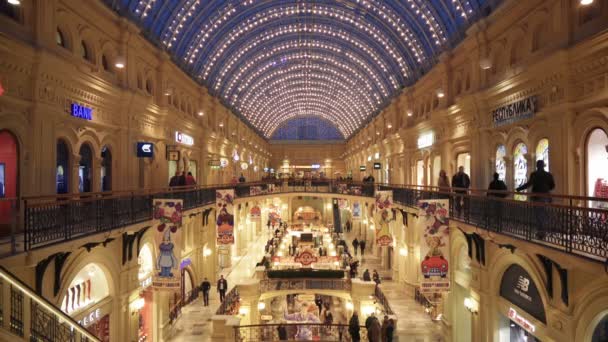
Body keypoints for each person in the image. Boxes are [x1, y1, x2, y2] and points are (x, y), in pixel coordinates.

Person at [516, 160, 555, 239]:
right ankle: (543, 232)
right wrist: (546, 189)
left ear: (537, 166)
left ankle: (541, 232)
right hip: (546, 197)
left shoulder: (534, 174)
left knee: (539, 215)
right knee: (543, 214)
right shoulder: (548, 175)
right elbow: (552, 186)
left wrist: (519, 189)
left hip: (537, 197)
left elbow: (529, 184)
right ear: (543, 166)